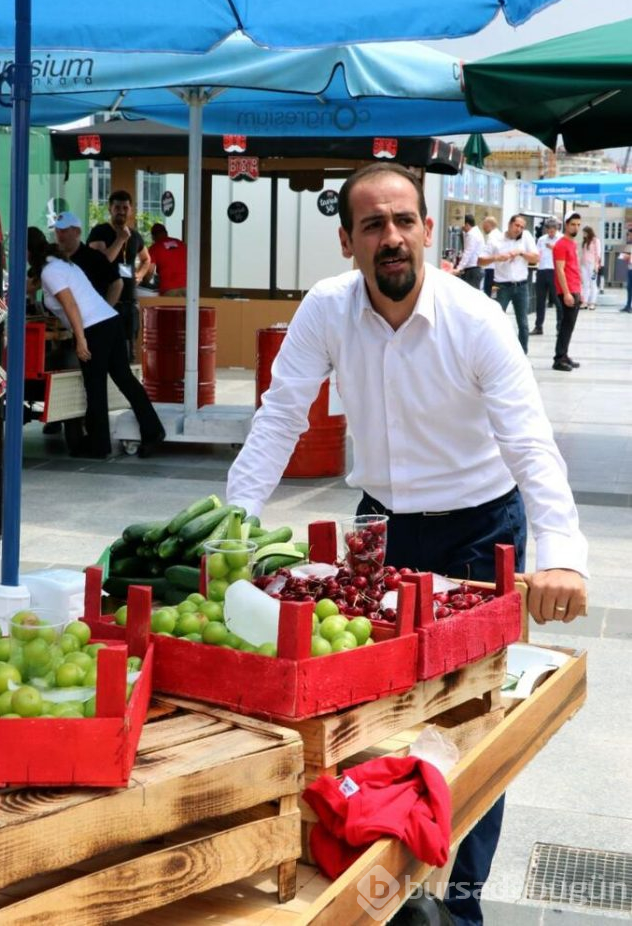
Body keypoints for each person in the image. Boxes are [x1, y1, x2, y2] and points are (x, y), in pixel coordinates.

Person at [227, 163, 588, 926]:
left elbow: (530, 445)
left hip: (479, 528)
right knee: (373, 728)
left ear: (428, 230)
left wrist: (561, 555)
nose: (390, 237)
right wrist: (232, 525)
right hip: (381, 531)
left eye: (403, 221)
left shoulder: (476, 320)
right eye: (372, 225)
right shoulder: (327, 310)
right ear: (347, 242)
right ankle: (385, 896)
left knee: (469, 728)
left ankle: (458, 909)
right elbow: (280, 416)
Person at [26, 226, 164, 459]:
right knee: (125, 379)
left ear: (28, 252)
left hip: (93, 328)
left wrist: (80, 339)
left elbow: (71, 306)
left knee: (95, 387)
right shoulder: (60, 264)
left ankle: (99, 446)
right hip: (109, 322)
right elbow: (34, 286)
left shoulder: (51, 271)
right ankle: (153, 430)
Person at [87, 190, 151, 360]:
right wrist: (120, 239)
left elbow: (146, 259)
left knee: (129, 351)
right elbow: (102, 261)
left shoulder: (135, 235)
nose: (121, 211)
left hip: (129, 302)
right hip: (106, 301)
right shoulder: (99, 231)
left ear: (131, 210)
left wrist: (139, 275)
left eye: (125, 208)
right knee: (105, 348)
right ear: (110, 209)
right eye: (117, 207)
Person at [479, 213, 538, 353]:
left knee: (523, 322)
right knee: (495, 320)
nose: (519, 229)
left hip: (521, 285)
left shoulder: (526, 237)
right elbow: (480, 260)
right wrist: (496, 258)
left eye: (522, 227)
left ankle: (523, 353)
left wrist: (521, 253)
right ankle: (494, 352)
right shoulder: (496, 239)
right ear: (509, 225)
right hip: (499, 286)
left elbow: (536, 257)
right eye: (517, 225)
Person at [53, 211, 123, 306]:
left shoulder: (93, 258)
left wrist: (106, 310)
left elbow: (117, 283)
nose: (59, 236)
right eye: (56, 231)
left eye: (63, 231)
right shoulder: (54, 257)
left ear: (77, 232)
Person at [552, 212, 583, 372]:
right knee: (565, 325)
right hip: (567, 290)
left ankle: (564, 355)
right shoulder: (561, 244)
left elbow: (574, 268)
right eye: (573, 224)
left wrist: (579, 291)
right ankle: (559, 359)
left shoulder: (572, 243)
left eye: (578, 224)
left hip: (574, 289)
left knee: (569, 326)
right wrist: (566, 293)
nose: (576, 227)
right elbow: (560, 270)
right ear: (566, 224)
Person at [531, 217, 562, 335]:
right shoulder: (541, 239)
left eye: (553, 230)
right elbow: (537, 253)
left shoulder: (561, 239)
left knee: (557, 300)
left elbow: (565, 254)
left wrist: (554, 248)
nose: (551, 232)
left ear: (557, 228)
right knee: (540, 300)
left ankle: (559, 327)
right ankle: (538, 326)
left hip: (555, 271)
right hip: (542, 270)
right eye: (548, 230)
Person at [148, 223, 188, 296]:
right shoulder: (181, 243)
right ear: (166, 233)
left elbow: (150, 271)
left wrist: (144, 281)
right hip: (188, 287)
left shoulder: (154, 248)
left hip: (169, 289)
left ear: (153, 237)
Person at [451, 214, 483, 290]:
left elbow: (468, 253)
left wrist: (459, 268)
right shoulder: (475, 233)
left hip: (472, 270)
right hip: (475, 269)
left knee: (471, 296)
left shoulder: (472, 235)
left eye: (462, 225)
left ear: (467, 224)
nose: (461, 228)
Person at [579, 226, 602, 310]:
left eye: (585, 233)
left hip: (592, 264)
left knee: (593, 283)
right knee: (585, 283)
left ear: (589, 232)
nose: (584, 234)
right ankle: (585, 302)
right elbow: (583, 253)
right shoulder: (585, 241)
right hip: (584, 264)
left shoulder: (596, 240)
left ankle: (592, 303)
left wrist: (596, 266)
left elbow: (598, 254)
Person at [479, 216, 501, 297]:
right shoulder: (500, 235)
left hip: (490, 269)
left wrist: (481, 259)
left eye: (484, 225)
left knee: (487, 295)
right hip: (498, 270)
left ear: (489, 225)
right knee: (496, 295)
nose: (483, 228)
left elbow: (487, 252)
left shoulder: (492, 237)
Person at [621, 227, 632, 313]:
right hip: (630, 268)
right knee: (629, 288)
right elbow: (623, 255)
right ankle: (628, 306)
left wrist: (629, 257)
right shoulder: (629, 243)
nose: (628, 236)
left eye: (629, 234)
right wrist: (625, 256)